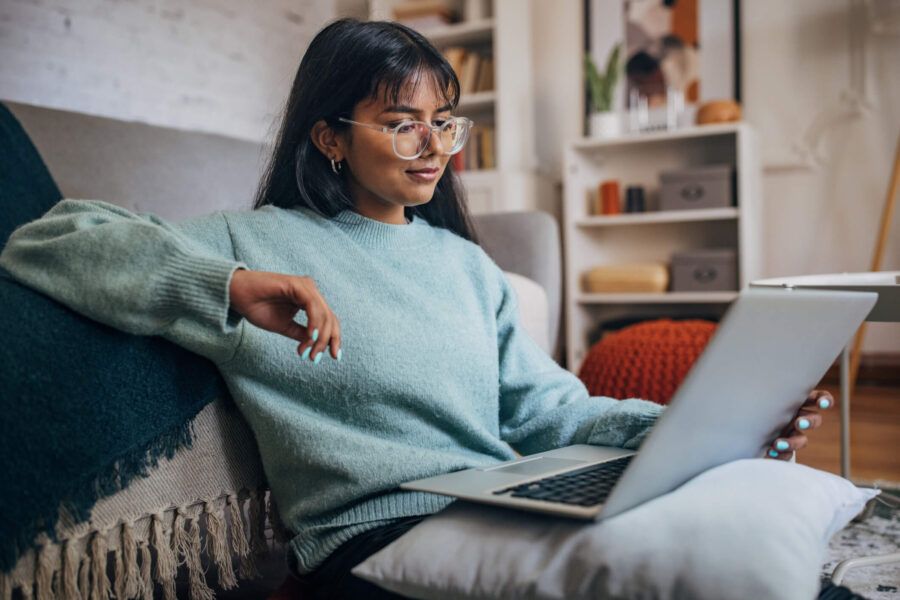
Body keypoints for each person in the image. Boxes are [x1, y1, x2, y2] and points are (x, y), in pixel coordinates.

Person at [0, 18, 831, 600]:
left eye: (444, 123)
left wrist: (693, 427)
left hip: (498, 510)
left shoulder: (466, 264)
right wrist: (226, 286)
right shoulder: (253, 241)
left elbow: (549, 411)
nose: (435, 148)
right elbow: (49, 240)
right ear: (330, 137)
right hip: (374, 544)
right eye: (403, 125)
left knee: (750, 558)